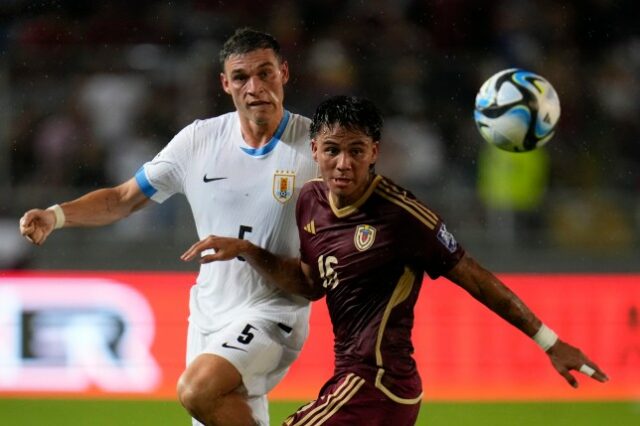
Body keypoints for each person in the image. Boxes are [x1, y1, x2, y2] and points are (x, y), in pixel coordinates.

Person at [180, 95, 609, 425]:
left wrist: (549, 342)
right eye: (331, 150)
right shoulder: (310, 200)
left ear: (375, 152)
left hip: (379, 383)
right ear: (314, 149)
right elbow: (312, 284)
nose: (343, 163)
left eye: (356, 150)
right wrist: (249, 252)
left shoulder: (403, 216)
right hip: (356, 382)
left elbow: (476, 279)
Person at [19, 28, 318, 426]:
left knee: (197, 389)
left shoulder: (316, 146)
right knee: (220, 407)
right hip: (209, 316)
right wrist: (55, 215)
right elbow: (123, 199)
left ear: (284, 73)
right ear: (225, 83)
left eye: (265, 73)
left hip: (274, 311)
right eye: (242, 77)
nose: (255, 86)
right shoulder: (198, 141)